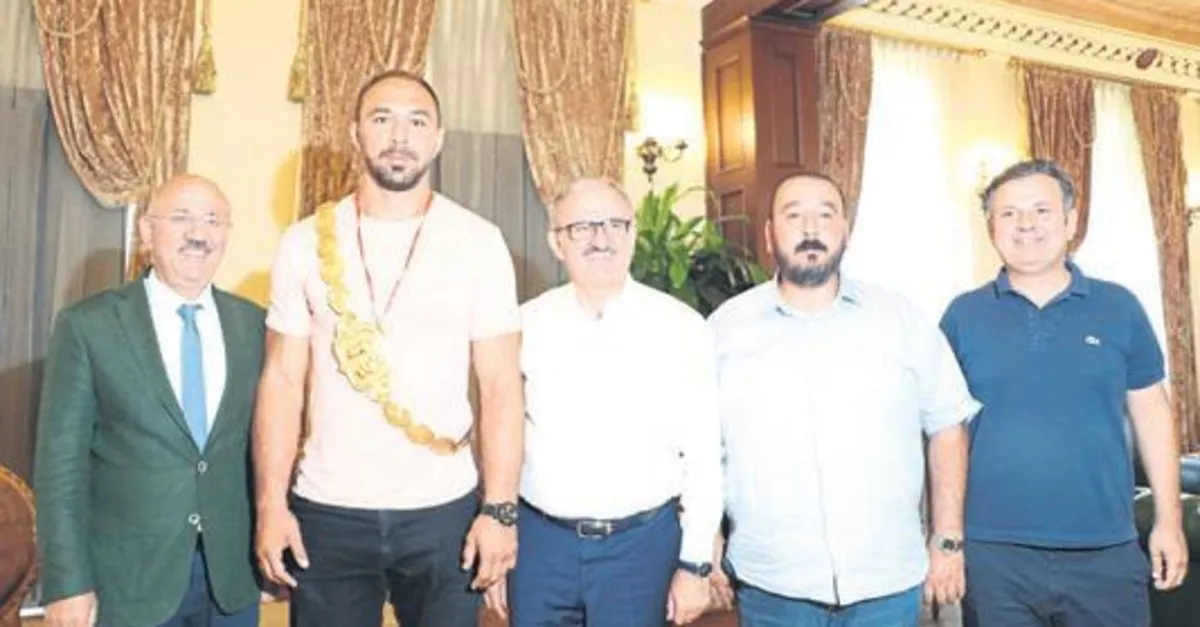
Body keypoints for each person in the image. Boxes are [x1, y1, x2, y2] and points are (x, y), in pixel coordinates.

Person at [253, 69, 524, 627]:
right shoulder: (304, 242)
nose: (400, 136)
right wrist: (270, 505)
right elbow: (281, 380)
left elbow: (501, 384)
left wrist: (499, 510)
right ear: (355, 132)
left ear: (438, 138)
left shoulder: (478, 241)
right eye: (383, 119)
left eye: (417, 122)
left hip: (443, 509)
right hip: (328, 508)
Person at [707, 172, 980, 627]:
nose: (810, 228)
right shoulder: (724, 330)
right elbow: (701, 448)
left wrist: (947, 539)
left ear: (845, 231)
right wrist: (708, 542)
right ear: (770, 236)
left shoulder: (901, 320)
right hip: (773, 582)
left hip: (885, 581)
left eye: (825, 214)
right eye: (794, 215)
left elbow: (948, 425)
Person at [939, 159, 1189, 627]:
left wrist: (1169, 521)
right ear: (992, 228)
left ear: (1071, 221)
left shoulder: (1119, 307)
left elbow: (1153, 416)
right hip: (995, 555)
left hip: (1105, 550)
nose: (1026, 224)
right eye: (1009, 213)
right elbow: (942, 432)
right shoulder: (962, 316)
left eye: (1041, 210)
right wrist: (944, 540)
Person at [34, 174, 265, 627]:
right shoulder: (88, 326)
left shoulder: (255, 326)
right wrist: (67, 582)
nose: (198, 234)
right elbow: (60, 467)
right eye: (181, 218)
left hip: (231, 581)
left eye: (213, 221)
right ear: (146, 231)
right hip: (128, 584)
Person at [499, 179, 723, 626]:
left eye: (614, 224)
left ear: (632, 233)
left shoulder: (681, 326)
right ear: (556, 242)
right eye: (582, 227)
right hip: (540, 546)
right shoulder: (524, 324)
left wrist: (696, 562)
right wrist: (498, 540)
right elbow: (497, 437)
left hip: (642, 549)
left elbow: (703, 455)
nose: (601, 239)